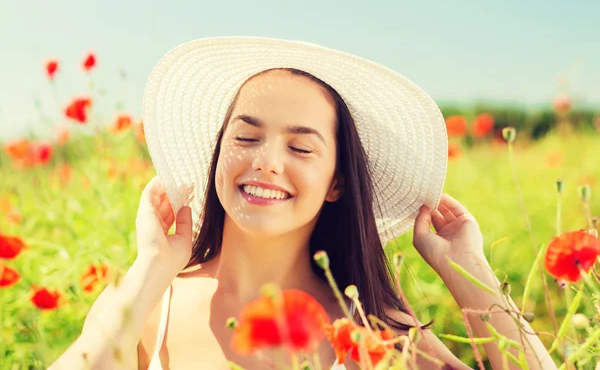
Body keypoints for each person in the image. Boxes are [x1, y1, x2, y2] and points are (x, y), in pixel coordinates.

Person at [49, 37, 556, 370]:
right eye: (246, 138)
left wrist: (469, 269)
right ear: (218, 155)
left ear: (337, 182)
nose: (267, 162)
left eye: (300, 147)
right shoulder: (148, 304)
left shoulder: (374, 332)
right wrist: (153, 266)